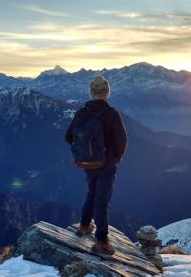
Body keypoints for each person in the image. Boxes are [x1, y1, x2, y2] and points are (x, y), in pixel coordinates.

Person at [65, 75, 128, 255]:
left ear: (91, 92)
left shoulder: (81, 112)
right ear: (107, 92)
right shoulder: (112, 114)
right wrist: (114, 159)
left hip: (87, 163)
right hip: (106, 164)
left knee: (91, 191)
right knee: (102, 201)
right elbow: (122, 142)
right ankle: (101, 241)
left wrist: (83, 151)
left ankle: (84, 226)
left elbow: (68, 137)